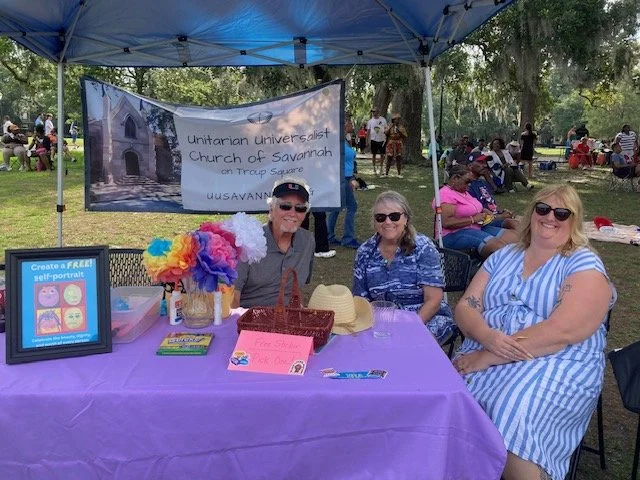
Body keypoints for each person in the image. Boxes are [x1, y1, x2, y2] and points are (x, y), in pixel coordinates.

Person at [453, 185, 616, 480]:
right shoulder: (504, 256)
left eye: (561, 212)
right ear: (532, 213)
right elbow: (466, 305)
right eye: (542, 209)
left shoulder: (581, 261)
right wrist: (486, 336)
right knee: (449, 401)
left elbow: (563, 330)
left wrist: (489, 356)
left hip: (556, 358)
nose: (550, 217)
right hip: (485, 345)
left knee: (512, 410)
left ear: (574, 220)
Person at [353, 191, 455, 344]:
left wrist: (409, 328)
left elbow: (433, 300)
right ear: (374, 222)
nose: (387, 222)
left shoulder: (422, 247)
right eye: (380, 217)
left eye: (394, 216)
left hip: (424, 318)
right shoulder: (365, 252)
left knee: (410, 344)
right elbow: (361, 300)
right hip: (382, 321)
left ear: (406, 218)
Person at [232, 177, 315, 308]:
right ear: (271, 208)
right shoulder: (249, 240)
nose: (292, 213)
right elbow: (232, 296)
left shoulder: (307, 241)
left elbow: (298, 290)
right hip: (251, 320)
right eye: (285, 206)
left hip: (288, 320)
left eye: (300, 208)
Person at [432, 164, 516, 258]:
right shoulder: (446, 194)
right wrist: (473, 219)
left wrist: (484, 210)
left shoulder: (463, 192)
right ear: (455, 178)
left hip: (476, 226)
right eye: (467, 182)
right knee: (497, 246)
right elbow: (446, 222)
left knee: (515, 237)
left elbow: (473, 207)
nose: (469, 186)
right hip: (452, 234)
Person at [327, 119, 360, 249]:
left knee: (336, 207)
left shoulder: (345, 141)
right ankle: (348, 238)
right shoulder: (338, 142)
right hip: (343, 178)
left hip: (346, 176)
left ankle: (328, 235)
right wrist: (349, 178)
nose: (353, 125)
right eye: (351, 123)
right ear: (345, 125)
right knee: (352, 206)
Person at [467, 160, 519, 230]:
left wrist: (502, 211)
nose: (485, 165)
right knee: (515, 224)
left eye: (484, 163)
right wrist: (500, 216)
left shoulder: (482, 182)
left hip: (495, 215)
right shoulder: (468, 187)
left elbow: (491, 202)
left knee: (524, 220)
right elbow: (477, 211)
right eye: (480, 162)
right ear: (470, 166)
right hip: (485, 221)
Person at [383, 113, 407, 178]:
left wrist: (400, 131)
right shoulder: (390, 126)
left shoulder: (401, 127)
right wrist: (390, 128)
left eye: (398, 119)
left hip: (398, 142)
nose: (397, 121)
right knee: (389, 158)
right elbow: (385, 133)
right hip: (391, 142)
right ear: (393, 120)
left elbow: (405, 135)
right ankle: (386, 173)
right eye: (396, 119)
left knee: (398, 158)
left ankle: (399, 173)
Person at [366, 107, 387, 176]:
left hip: (382, 140)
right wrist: (367, 141)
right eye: (373, 112)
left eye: (375, 111)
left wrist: (386, 137)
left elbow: (386, 129)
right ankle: (374, 168)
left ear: (378, 112)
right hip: (373, 139)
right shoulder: (370, 121)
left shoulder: (383, 120)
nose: (373, 113)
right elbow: (368, 132)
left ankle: (381, 169)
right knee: (374, 154)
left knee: (382, 154)